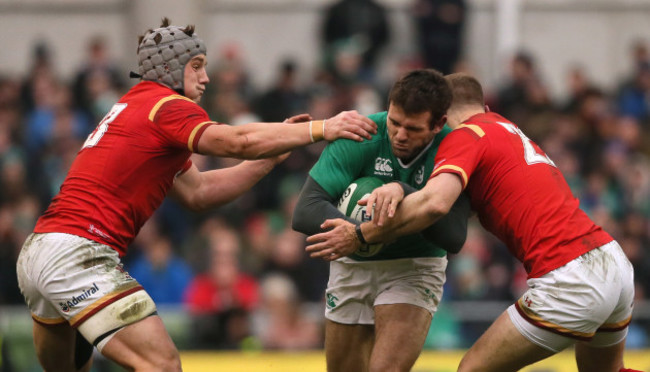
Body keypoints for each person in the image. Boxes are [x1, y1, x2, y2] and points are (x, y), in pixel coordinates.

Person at [15, 18, 376, 372]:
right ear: (172, 69)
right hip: (79, 254)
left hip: (40, 251)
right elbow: (238, 141)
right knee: (163, 365)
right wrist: (325, 127)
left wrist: (270, 159)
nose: (205, 77)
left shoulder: (134, 108)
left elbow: (200, 192)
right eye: (197, 66)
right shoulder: (165, 106)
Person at [305, 73, 637, 372]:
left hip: (569, 276)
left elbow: (434, 204)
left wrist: (361, 234)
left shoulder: (465, 136)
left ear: (444, 116)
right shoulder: (505, 128)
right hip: (612, 260)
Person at [292, 69, 470, 372]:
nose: (400, 135)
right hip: (352, 263)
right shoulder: (362, 133)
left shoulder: (456, 147)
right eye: (394, 122)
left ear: (438, 124)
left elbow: (454, 236)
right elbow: (306, 210)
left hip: (414, 265)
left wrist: (404, 192)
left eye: (412, 129)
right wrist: (357, 234)